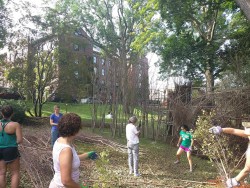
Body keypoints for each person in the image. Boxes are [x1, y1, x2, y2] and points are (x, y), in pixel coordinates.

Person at [49, 113, 98, 188]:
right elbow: (66, 181)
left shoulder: (60, 140)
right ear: (75, 131)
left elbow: (69, 160)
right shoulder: (66, 150)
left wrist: (87, 155)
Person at [0, 105, 23, 188]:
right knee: (15, 173)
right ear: (12, 113)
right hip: (11, 149)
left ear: (1, 113)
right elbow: (19, 140)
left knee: (1, 173)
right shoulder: (15, 125)